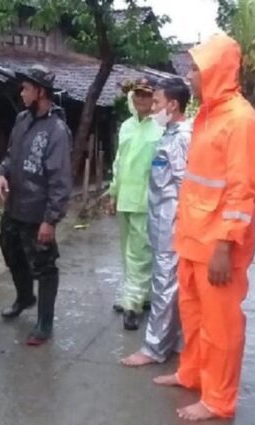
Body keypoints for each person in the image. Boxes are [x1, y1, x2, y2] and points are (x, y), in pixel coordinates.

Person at [155, 34, 255, 422]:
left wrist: (224, 245)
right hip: (192, 239)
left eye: (195, 68)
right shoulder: (207, 115)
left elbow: (242, 191)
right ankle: (192, 375)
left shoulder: (240, 121)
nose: (188, 75)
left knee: (221, 327)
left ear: (216, 72)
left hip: (217, 246)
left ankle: (218, 400)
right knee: (195, 317)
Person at [0, 65, 72, 346]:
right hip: (14, 205)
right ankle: (25, 297)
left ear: (41, 92)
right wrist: (3, 173)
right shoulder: (21, 120)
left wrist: (50, 220)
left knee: (45, 266)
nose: (22, 92)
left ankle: (44, 323)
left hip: (38, 211)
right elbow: (11, 153)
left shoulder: (57, 130)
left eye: (27, 88)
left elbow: (61, 179)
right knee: (10, 249)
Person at [121, 77, 191, 367]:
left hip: (173, 222)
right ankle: (173, 340)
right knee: (169, 284)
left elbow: (185, 185)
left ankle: (154, 348)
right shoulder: (169, 133)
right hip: (161, 218)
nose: (154, 107)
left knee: (164, 284)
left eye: (158, 102)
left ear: (172, 105)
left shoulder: (184, 137)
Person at [108, 77, 164, 331]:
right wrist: (112, 192)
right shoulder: (127, 127)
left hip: (145, 200)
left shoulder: (160, 130)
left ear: (154, 99)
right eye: (138, 94)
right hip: (124, 199)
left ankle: (133, 305)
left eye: (146, 95)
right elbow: (119, 162)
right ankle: (136, 294)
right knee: (126, 251)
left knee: (139, 253)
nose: (141, 99)